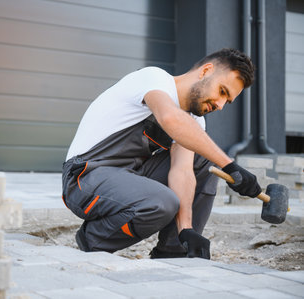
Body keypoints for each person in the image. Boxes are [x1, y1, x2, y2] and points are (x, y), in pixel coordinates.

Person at [61, 48, 262, 259]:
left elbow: (182, 171)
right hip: (85, 176)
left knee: (201, 159)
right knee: (162, 202)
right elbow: (169, 118)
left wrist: (186, 229)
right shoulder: (153, 78)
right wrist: (230, 165)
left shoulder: (194, 121)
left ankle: (173, 251)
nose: (220, 105)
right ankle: (93, 239)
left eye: (227, 101)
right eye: (222, 92)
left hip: (129, 177)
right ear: (206, 71)